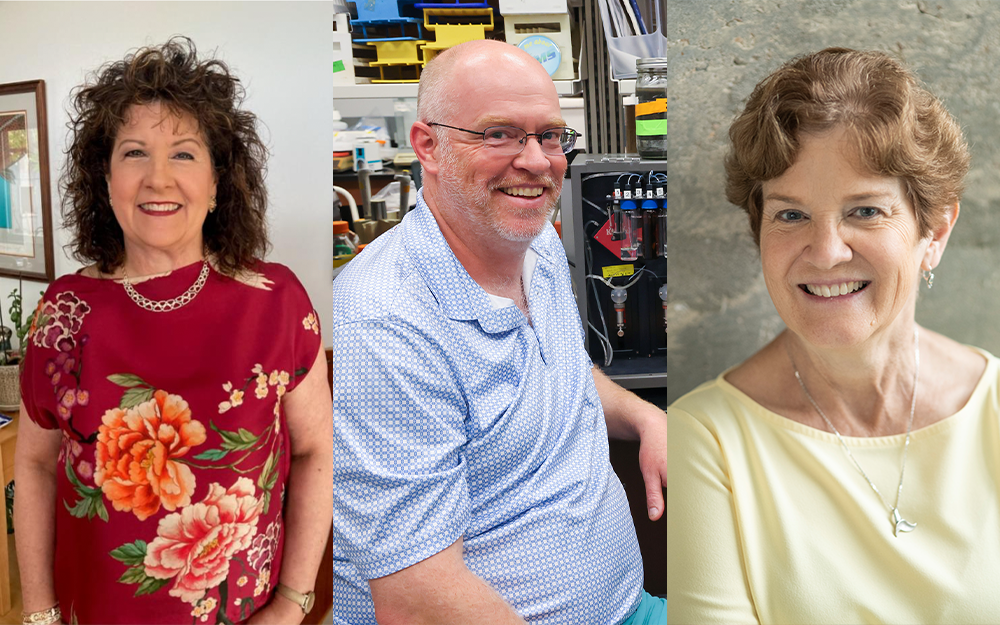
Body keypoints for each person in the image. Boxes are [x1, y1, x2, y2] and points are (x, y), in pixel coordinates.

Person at [330, 40, 668, 624]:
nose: (536, 162)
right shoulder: (388, 320)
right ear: (428, 146)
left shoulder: (531, 242)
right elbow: (415, 597)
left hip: (627, 604)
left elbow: (556, 370)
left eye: (550, 136)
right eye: (499, 134)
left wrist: (644, 416)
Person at [666, 47, 1000, 624]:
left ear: (935, 230)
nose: (825, 253)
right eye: (791, 215)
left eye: (866, 211)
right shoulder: (707, 440)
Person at [15, 38, 332, 625]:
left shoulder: (278, 302)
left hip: (239, 611)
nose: (158, 178)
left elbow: (315, 453)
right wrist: (38, 612)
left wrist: (293, 602)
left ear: (217, 185)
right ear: (105, 181)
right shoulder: (65, 312)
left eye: (183, 155)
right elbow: (34, 466)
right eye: (134, 152)